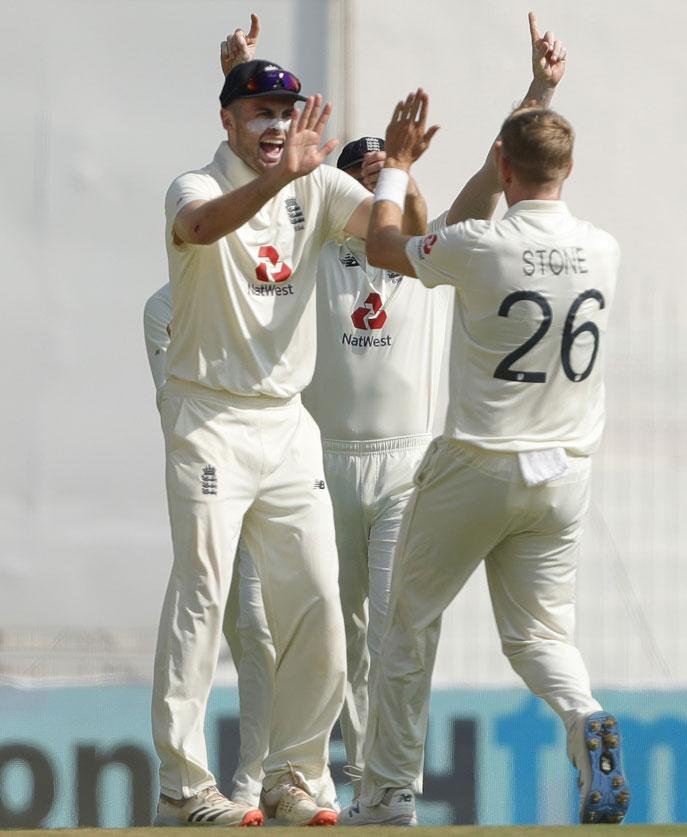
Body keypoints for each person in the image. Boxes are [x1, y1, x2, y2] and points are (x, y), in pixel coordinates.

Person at [219, 13, 572, 806]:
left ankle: (391, 786)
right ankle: (341, 781)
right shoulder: (314, 247)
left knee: (393, 630)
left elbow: (497, 173)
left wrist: (541, 90)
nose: (390, 177)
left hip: (406, 464)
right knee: (334, 637)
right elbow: (258, 183)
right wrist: (242, 78)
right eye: (371, 171)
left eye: (396, 170)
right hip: (320, 460)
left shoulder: (434, 247)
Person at [335, 89, 629, 828]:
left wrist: (397, 166)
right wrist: (539, 98)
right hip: (564, 472)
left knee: (405, 620)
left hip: (477, 463)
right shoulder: (603, 246)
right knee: (539, 636)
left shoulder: (480, 247)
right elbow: (498, 197)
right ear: (569, 164)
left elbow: (383, 247)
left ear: (503, 162)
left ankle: (390, 793)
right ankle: (584, 714)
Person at [153, 39, 374, 825]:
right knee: (204, 592)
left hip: (287, 422)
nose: (277, 124)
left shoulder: (315, 181)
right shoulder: (198, 182)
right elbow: (203, 225)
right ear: (228, 117)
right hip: (210, 416)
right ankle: (185, 785)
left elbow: (384, 232)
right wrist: (284, 175)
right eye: (259, 112)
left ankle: (295, 774)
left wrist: (405, 171)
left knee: (317, 594)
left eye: (285, 111)